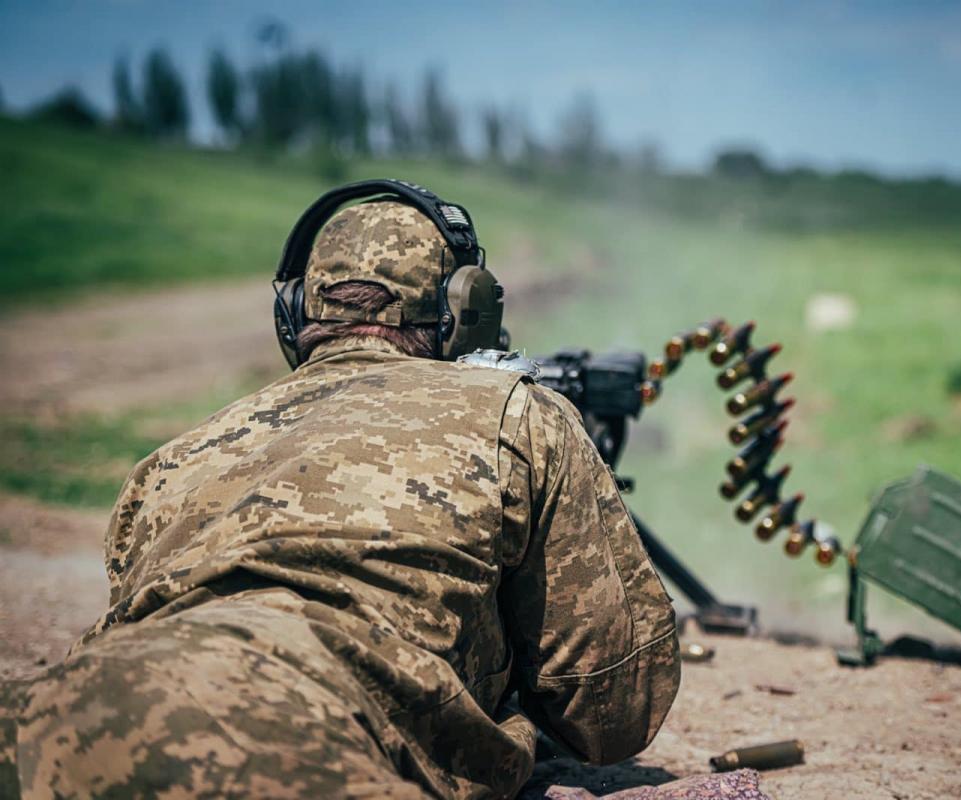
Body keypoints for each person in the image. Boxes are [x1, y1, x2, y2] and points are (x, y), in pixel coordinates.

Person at [0, 181, 681, 799]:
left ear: (295, 313)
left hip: (53, 716)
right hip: (287, 735)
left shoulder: (172, 458)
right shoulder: (518, 411)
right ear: (463, 311)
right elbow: (613, 711)